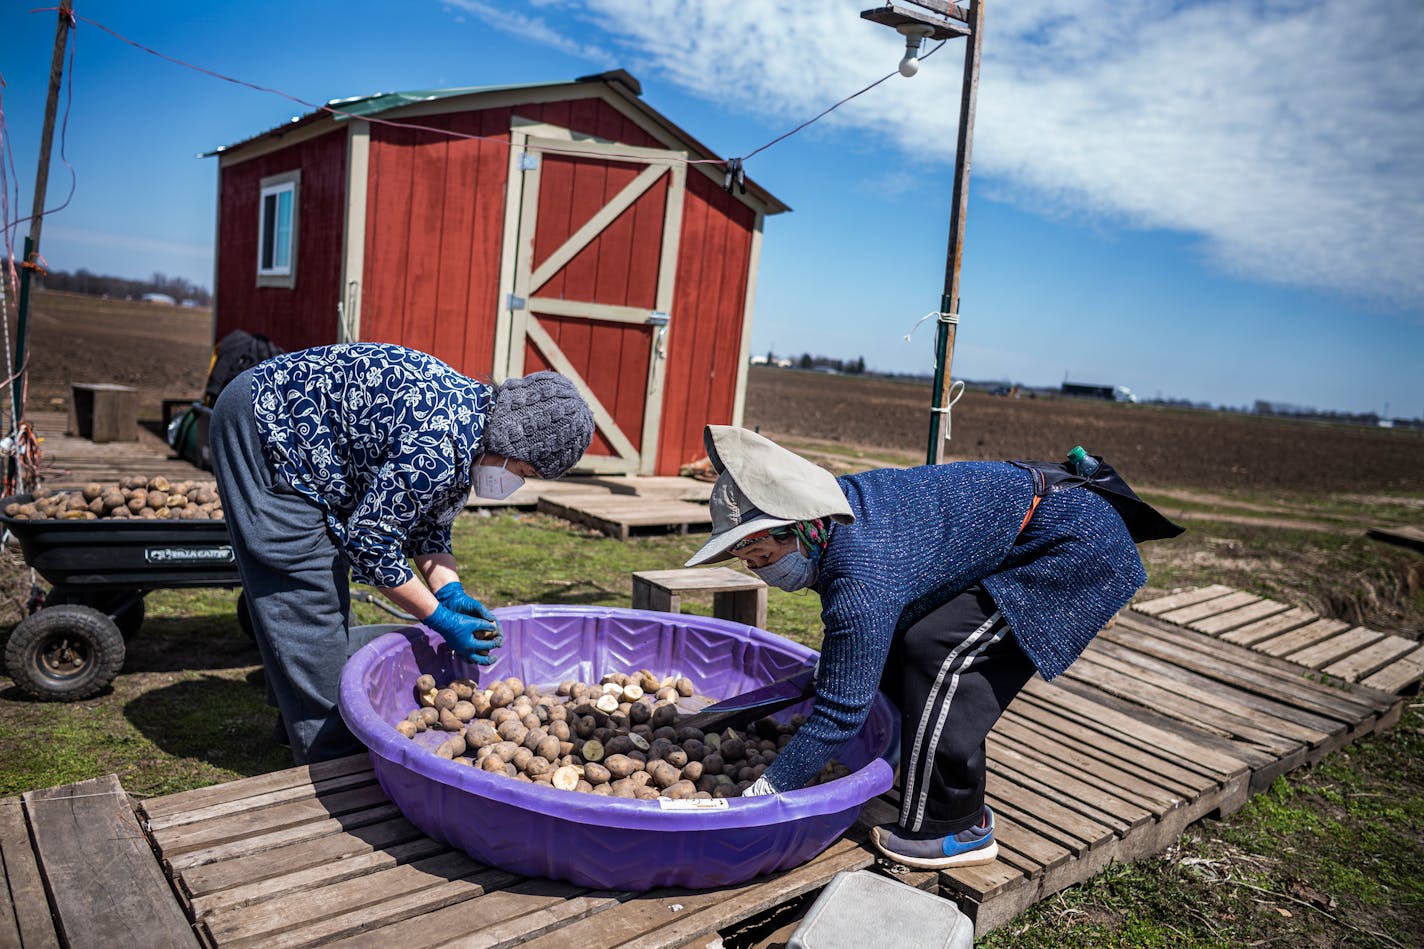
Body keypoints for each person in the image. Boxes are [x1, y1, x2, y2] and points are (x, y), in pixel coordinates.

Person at [684, 425, 1181, 870]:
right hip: (1032, 524)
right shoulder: (839, 517)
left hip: (1074, 545)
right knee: (908, 642)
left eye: (763, 555)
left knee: (944, 659)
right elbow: (858, 651)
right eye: (749, 562)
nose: (762, 571)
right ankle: (919, 768)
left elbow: (841, 712)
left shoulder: (861, 571)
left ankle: (956, 826)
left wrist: (765, 791)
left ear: (801, 528)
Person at [211, 342, 594, 764]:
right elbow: (371, 545)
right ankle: (331, 760)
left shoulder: (474, 425)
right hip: (265, 428)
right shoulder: (437, 441)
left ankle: (296, 713)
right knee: (301, 589)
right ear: (513, 440)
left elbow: (427, 522)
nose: (518, 482)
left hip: (309, 441)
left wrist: (451, 590)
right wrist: (440, 618)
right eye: (524, 472)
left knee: (319, 598)